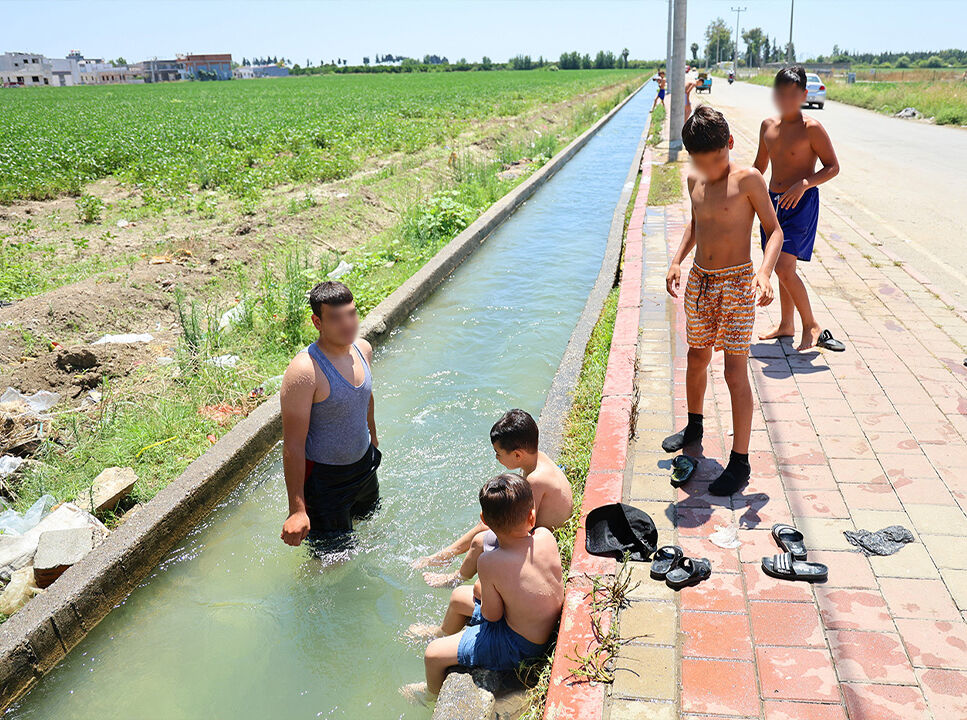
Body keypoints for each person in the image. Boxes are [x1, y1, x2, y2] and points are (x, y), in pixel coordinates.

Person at [663, 106, 784, 496]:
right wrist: (677, 260)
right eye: (700, 162)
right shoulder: (694, 179)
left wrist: (764, 273)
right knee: (696, 357)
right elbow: (696, 223)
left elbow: (774, 230)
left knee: (735, 372)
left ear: (729, 145)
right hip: (700, 282)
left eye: (715, 160)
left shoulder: (748, 179)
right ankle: (694, 424)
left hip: (737, 285)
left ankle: (740, 461)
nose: (709, 169)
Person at [401, 474, 564, 705]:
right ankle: (441, 631)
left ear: (483, 519)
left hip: (519, 646)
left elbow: (492, 615)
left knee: (433, 654)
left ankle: (430, 694)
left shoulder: (490, 563)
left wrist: (480, 590)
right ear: (532, 515)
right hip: (536, 626)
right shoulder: (545, 536)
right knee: (458, 597)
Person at [413, 409, 572, 587]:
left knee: (480, 541)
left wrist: (449, 551)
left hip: (543, 541)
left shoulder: (535, 480)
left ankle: (455, 577)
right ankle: (447, 556)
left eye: (498, 453)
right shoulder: (538, 460)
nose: (496, 458)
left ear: (517, 455)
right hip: (544, 531)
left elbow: (499, 524)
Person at [278, 281, 381, 547]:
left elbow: (365, 396)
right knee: (332, 561)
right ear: (317, 322)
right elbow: (292, 445)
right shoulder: (305, 371)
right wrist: (297, 510)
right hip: (325, 483)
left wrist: (374, 441)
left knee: (370, 528)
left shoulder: (363, 349)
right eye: (336, 318)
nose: (347, 324)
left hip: (365, 466)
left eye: (351, 313)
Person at [753, 66, 845, 352]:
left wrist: (804, 184)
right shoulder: (767, 126)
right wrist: (746, 198)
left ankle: (812, 325)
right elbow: (759, 167)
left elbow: (833, 167)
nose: (786, 100)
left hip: (801, 204)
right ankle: (786, 325)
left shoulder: (812, 128)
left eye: (793, 95)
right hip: (773, 203)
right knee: (783, 268)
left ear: (804, 95)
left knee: (782, 266)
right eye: (781, 94)